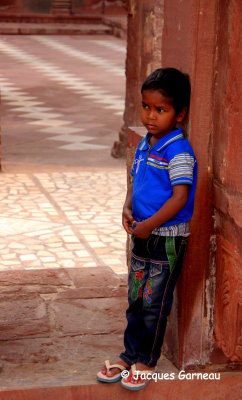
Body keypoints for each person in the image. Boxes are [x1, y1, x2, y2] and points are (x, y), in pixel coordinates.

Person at [97, 67, 197, 391]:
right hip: (142, 235)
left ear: (179, 114)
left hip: (166, 241)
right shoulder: (145, 144)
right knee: (135, 299)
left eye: (160, 109)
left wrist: (149, 226)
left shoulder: (178, 151)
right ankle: (128, 355)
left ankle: (146, 361)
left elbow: (180, 197)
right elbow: (135, 179)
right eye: (145, 107)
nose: (150, 116)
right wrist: (127, 207)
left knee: (154, 303)